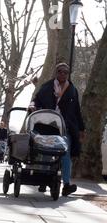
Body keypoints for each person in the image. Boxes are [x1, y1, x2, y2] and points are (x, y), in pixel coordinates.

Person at [29, 62, 85, 196]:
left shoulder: (72, 89)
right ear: (56, 72)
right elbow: (35, 100)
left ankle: (66, 184)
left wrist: (82, 129)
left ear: (68, 74)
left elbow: (77, 111)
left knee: (65, 154)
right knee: (45, 152)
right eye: (60, 71)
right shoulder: (46, 87)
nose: (63, 74)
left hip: (65, 127)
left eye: (66, 72)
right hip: (46, 126)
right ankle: (42, 180)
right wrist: (32, 106)